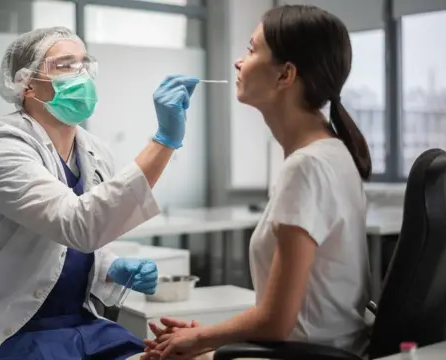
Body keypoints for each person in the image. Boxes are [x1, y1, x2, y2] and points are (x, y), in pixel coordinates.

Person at [0, 27, 200, 360]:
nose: (80, 75)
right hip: (7, 327)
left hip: (80, 324)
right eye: (65, 65)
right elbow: (78, 224)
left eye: (84, 64)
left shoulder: (95, 152)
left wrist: (110, 267)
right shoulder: (0, 148)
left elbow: (67, 249)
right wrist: (164, 142)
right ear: (26, 83)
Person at [141, 4, 372, 359]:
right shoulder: (333, 153)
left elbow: (277, 321)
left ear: (285, 75)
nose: (238, 61)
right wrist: (209, 336)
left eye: (251, 49)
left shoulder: (306, 166)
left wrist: (200, 340)